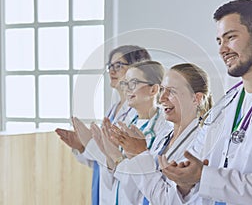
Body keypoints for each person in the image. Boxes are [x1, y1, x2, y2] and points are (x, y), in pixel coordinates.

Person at [159, 0, 252, 205]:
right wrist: (184, 179)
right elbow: (196, 161)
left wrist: (202, 177)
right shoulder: (227, 102)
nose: (222, 49)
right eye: (219, 41)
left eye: (230, 37)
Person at [55, 45, 151, 205]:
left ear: (137, 69)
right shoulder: (114, 108)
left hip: (126, 194)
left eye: (119, 66)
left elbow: (119, 161)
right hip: (106, 190)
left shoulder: (138, 113)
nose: (112, 71)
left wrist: (92, 145)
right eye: (110, 66)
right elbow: (101, 162)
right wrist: (82, 147)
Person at [109, 63, 213, 204]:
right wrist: (132, 154)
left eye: (171, 91)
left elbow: (170, 200)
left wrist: (139, 154)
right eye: (163, 89)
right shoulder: (165, 136)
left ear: (197, 98)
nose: (161, 98)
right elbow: (143, 190)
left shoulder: (201, 144)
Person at [91, 60, 173, 204]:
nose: (127, 89)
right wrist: (108, 155)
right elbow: (113, 182)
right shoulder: (126, 124)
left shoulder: (165, 130)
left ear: (153, 90)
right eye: (125, 83)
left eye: (133, 83)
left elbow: (143, 183)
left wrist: (116, 157)